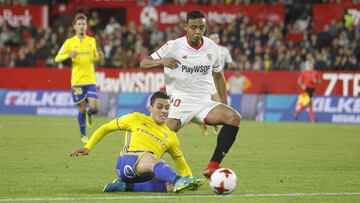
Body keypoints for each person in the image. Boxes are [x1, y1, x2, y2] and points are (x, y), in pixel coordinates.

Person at [140, 10, 241, 178]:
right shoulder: (173, 46)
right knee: (162, 136)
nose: (198, 32)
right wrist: (162, 61)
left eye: (201, 27)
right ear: (185, 27)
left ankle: (213, 166)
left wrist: (224, 104)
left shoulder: (212, 47)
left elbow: (219, 77)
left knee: (234, 117)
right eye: (193, 27)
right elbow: (144, 63)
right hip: (180, 100)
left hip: (204, 102)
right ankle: (141, 169)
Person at [70, 91, 203, 193]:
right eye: (160, 107)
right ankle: (178, 180)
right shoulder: (135, 118)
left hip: (147, 173)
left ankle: (125, 186)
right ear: (150, 108)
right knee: (153, 159)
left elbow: (182, 164)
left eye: (167, 108)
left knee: (171, 187)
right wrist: (88, 146)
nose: (164, 111)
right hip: (127, 161)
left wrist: (189, 181)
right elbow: (106, 128)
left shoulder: (171, 136)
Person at [55, 13, 104, 143]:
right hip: (77, 81)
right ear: (74, 27)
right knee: (81, 108)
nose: (82, 26)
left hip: (90, 79)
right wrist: (68, 55)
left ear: (86, 26)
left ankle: (90, 115)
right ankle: (83, 135)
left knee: (95, 108)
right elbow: (57, 57)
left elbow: (94, 57)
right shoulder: (69, 42)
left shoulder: (92, 41)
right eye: (79, 24)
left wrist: (100, 56)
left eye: (83, 24)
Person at [293, 58, 322, 122]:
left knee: (308, 104)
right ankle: (311, 118)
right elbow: (299, 81)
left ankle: (297, 112)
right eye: (308, 65)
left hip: (312, 90)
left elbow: (320, 81)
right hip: (306, 90)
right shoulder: (304, 73)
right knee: (307, 104)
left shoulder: (315, 73)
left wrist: (316, 81)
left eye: (310, 65)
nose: (309, 67)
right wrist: (302, 86)